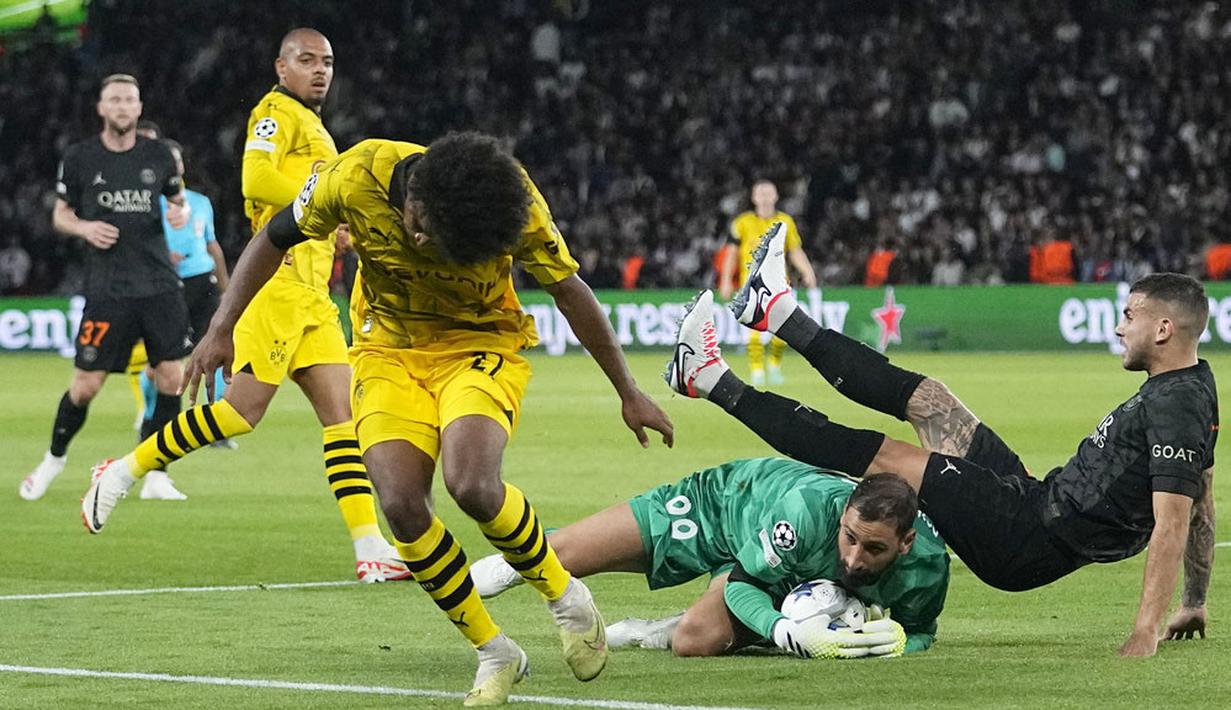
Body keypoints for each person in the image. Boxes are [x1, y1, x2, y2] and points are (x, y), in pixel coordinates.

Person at [92, 131, 674, 705]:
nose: (424, 243)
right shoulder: (352, 176)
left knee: (472, 483)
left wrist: (627, 389)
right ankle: (495, 650)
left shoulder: (515, 205)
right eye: (422, 228)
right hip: (387, 350)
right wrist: (221, 327)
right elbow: (273, 236)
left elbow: (569, 291)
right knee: (399, 503)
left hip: (480, 344)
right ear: (415, 195)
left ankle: (564, 595)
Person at [668, 222, 1217, 658]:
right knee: (931, 400)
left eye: (1130, 317)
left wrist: (1146, 631)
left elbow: (1173, 519)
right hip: (1031, 498)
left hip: (1024, 536)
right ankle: (775, 311)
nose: (1120, 327)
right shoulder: (1191, 388)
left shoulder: (1176, 403)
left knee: (887, 456)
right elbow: (1203, 497)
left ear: (1164, 329)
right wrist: (1193, 601)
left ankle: (708, 378)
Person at [80, 29, 410, 584]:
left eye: (327, 61)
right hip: (277, 286)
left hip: (313, 295)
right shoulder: (274, 113)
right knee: (240, 414)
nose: (320, 70)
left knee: (343, 421)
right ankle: (124, 468)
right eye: (307, 60)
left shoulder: (313, 125)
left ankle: (369, 545)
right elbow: (256, 178)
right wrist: (329, 202)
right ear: (281, 67)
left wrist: (338, 227)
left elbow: (307, 200)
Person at [470, 457, 948, 659]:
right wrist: (786, 631)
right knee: (559, 554)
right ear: (843, 515)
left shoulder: (928, 568)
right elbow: (744, 583)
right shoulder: (804, 515)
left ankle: (655, 627)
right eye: (849, 538)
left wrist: (893, 642)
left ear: (905, 543)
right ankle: (433, 562)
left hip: (777, 570)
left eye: (875, 549)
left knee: (693, 639)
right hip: (727, 505)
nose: (855, 558)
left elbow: (922, 631)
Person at [19, 74, 191, 501]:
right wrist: (84, 226)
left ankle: (155, 474)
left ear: (138, 108)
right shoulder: (80, 158)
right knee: (85, 385)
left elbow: (177, 198)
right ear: (101, 108)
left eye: (129, 100)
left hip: (158, 285)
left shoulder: (160, 156)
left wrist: (180, 213)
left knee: (172, 377)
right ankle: (53, 460)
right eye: (114, 99)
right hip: (108, 289)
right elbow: (60, 213)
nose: (121, 106)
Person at [719, 180, 816, 386]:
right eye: (760, 194)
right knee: (753, 331)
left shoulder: (785, 221)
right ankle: (757, 372)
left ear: (776, 196)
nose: (764, 197)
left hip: (780, 285)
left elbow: (795, 250)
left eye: (768, 193)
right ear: (753, 198)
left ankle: (773, 366)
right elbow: (731, 253)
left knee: (782, 332)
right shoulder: (742, 223)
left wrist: (807, 271)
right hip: (751, 286)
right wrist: (726, 279)